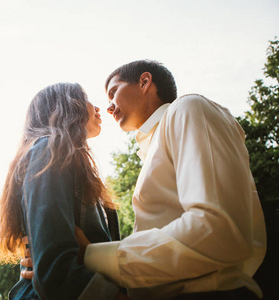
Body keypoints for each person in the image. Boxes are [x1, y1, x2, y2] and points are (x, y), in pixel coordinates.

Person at [23, 60, 267, 300]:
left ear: (144, 82)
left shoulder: (189, 108)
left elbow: (220, 231)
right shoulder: (151, 151)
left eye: (113, 92)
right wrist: (51, 261)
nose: (107, 107)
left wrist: (88, 256)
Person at [0, 83, 129, 300]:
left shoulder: (79, 167)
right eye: (85, 98)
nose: (97, 108)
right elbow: (55, 273)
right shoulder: (48, 151)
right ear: (65, 106)